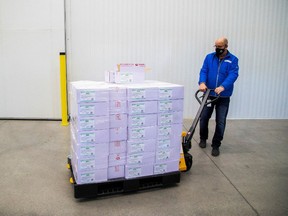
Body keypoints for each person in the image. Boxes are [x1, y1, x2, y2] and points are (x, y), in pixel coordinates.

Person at [198, 37, 239, 157]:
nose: (217, 49)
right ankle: (203, 138)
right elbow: (204, 71)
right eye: (216, 46)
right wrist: (202, 82)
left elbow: (233, 75)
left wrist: (223, 86)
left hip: (223, 96)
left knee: (220, 121)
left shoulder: (233, 60)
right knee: (204, 117)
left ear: (226, 46)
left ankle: (216, 145)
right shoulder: (209, 57)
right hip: (209, 94)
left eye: (220, 47)